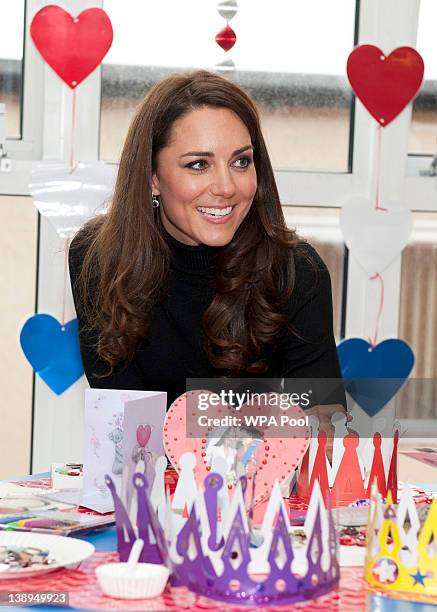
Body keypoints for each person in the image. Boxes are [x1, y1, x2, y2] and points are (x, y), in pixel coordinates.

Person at [69, 70, 346, 433]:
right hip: (144, 483)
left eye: (241, 161)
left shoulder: (297, 272)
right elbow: (124, 435)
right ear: (152, 176)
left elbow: (323, 432)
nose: (226, 187)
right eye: (198, 164)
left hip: (260, 484)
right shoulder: (97, 258)